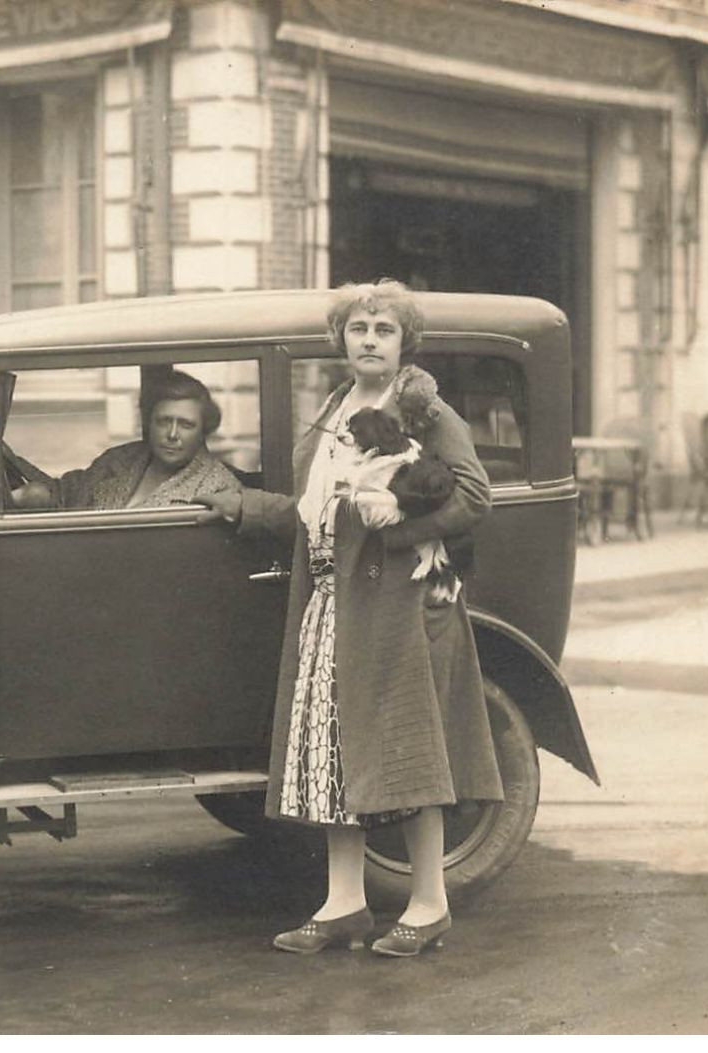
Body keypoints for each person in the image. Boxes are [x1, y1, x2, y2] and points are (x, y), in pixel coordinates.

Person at [199, 280, 502, 958]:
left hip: (401, 605)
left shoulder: (423, 410)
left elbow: (475, 496)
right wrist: (244, 506)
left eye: (382, 329)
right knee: (335, 750)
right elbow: (315, 511)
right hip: (333, 603)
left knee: (405, 749)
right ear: (340, 339)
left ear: (403, 342)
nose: (368, 338)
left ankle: (428, 905)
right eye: (358, 327)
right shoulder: (335, 406)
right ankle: (344, 903)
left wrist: (395, 526)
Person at [9, 369, 243, 510]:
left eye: (186, 425)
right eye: (163, 421)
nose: (172, 434)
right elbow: (66, 494)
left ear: (204, 430)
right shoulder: (121, 460)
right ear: (148, 423)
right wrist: (32, 494)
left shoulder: (219, 486)